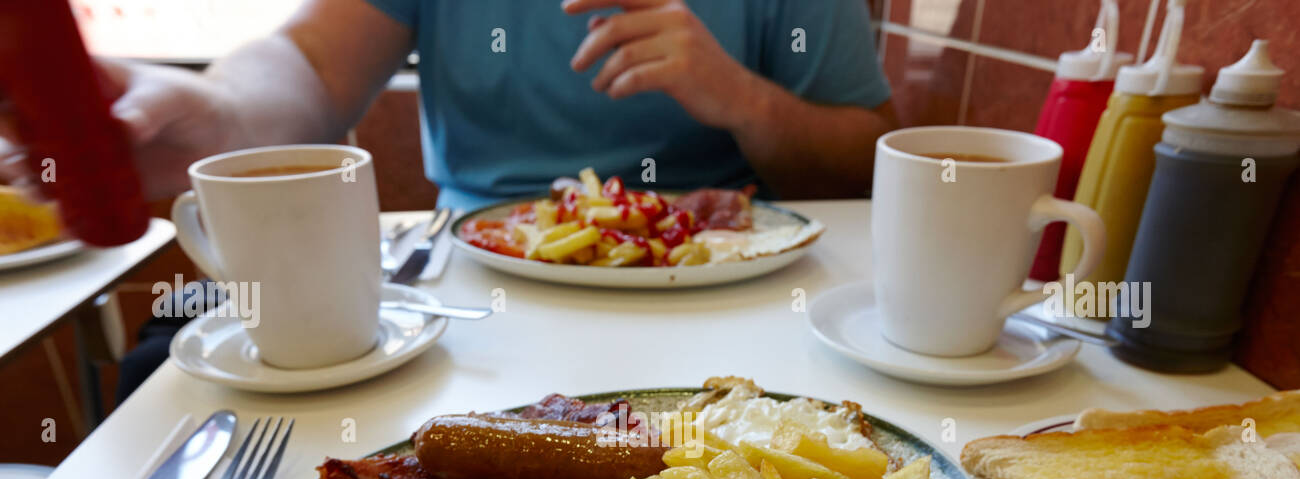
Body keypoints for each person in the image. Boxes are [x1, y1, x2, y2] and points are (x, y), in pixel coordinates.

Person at [0, 0, 895, 395]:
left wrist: (741, 97)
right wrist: (217, 113)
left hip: (731, 290)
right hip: (467, 298)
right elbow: (307, 66)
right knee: (161, 366)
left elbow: (863, 158)